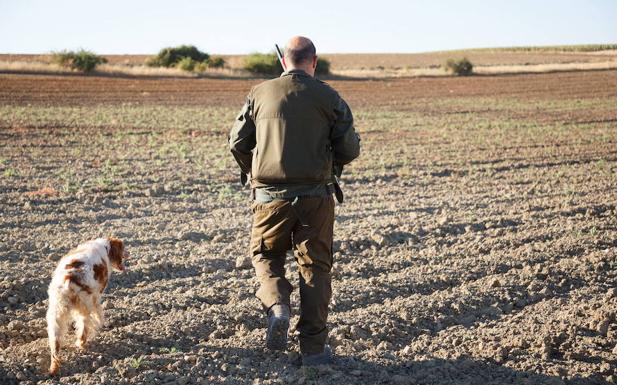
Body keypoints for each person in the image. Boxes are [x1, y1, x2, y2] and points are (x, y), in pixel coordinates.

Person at [229, 36, 360, 366]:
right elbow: (350, 149)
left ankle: (277, 306)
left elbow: (237, 143)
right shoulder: (329, 96)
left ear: (283, 62)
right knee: (315, 267)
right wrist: (330, 165)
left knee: (266, 254)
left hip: (269, 198)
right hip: (316, 199)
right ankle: (314, 351)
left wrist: (254, 172)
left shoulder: (260, 93)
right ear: (313, 62)